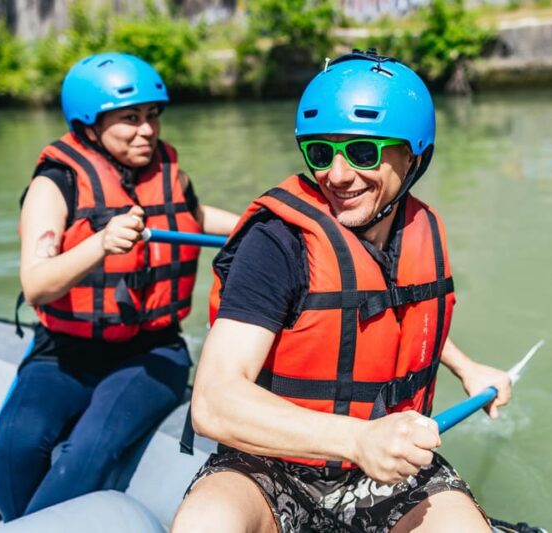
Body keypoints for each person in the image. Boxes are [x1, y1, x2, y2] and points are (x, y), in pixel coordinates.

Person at [172, 50, 513, 533]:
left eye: (362, 152)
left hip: (386, 471)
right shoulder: (276, 243)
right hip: (271, 464)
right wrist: (356, 440)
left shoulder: (416, 232)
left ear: (413, 156)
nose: (336, 174)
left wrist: (467, 366)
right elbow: (213, 400)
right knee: (205, 523)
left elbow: (399, 318)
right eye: (320, 152)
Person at [0, 52, 238, 521]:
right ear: (89, 124)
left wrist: (256, 226)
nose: (146, 130)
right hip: (65, 351)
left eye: (151, 116)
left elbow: (192, 218)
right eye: (129, 119)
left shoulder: (167, 170)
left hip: (152, 352)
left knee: (88, 450)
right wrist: (101, 244)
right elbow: (37, 285)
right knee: (12, 446)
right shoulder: (55, 183)